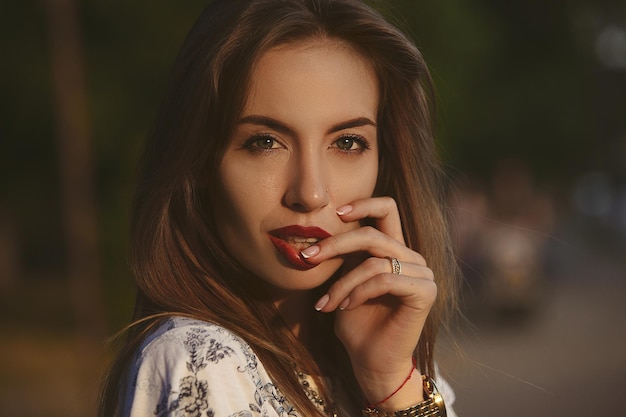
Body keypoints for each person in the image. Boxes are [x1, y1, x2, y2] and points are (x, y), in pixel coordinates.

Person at [98, 1, 460, 416]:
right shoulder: (202, 362)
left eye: (346, 143)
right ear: (198, 161)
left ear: (384, 161)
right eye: (265, 142)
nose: (310, 193)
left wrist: (390, 383)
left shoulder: (392, 372)